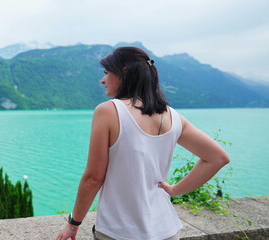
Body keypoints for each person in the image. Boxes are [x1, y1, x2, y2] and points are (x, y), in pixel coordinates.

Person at [55, 47, 230, 240]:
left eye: (106, 73)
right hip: (167, 230)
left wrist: (73, 224)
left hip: (120, 231)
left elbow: (94, 178)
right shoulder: (172, 115)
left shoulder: (108, 111)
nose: (102, 80)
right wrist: (175, 190)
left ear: (124, 72)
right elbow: (217, 157)